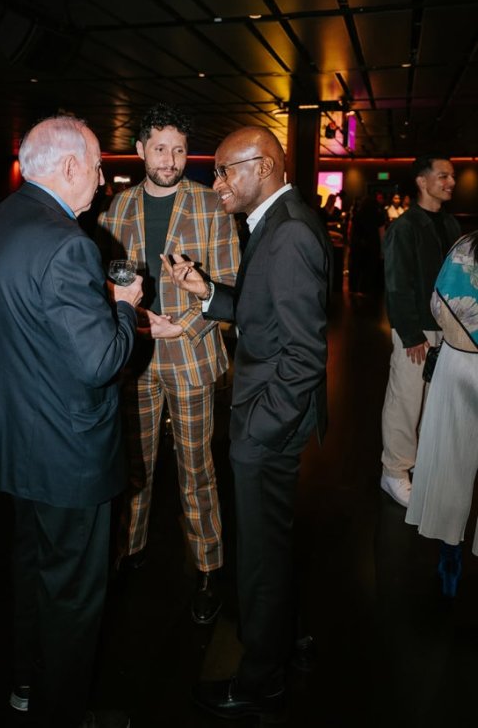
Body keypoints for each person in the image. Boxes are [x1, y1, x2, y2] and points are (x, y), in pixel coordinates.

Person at [0, 116, 143, 728]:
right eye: (97, 167)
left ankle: (25, 684)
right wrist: (122, 308)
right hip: (65, 452)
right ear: (69, 167)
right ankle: (62, 713)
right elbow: (99, 361)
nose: (102, 179)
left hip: (11, 440)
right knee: (72, 593)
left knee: (30, 570)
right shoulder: (69, 242)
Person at [162, 126, 331, 720]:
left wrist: (258, 431)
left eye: (226, 171)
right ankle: (289, 638)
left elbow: (304, 356)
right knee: (274, 546)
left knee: (261, 555)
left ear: (262, 167)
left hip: (267, 426)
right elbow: (265, 314)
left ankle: (262, 678)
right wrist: (208, 293)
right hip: (269, 420)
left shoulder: (286, 235)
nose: (218, 183)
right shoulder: (280, 221)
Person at [97, 103, 240, 625]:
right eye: (160, 148)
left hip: (189, 351)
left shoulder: (209, 205)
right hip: (133, 354)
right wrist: (132, 323)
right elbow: (106, 282)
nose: (171, 158)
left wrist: (186, 324)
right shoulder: (115, 210)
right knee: (133, 463)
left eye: (179, 149)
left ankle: (207, 564)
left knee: (196, 466)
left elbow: (230, 283)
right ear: (139, 151)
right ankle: (128, 550)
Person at [380, 155, 460, 507]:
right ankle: (394, 472)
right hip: (416, 331)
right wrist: (411, 333)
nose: (451, 182)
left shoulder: (451, 225)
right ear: (422, 182)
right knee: (405, 402)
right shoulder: (405, 227)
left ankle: (422, 468)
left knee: (433, 405)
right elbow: (396, 284)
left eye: (452, 176)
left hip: (449, 331)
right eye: (443, 175)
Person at [406, 230, 478, 597]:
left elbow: (439, 306)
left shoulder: (464, 246)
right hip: (462, 363)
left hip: (459, 364)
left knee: (452, 462)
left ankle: (450, 557)